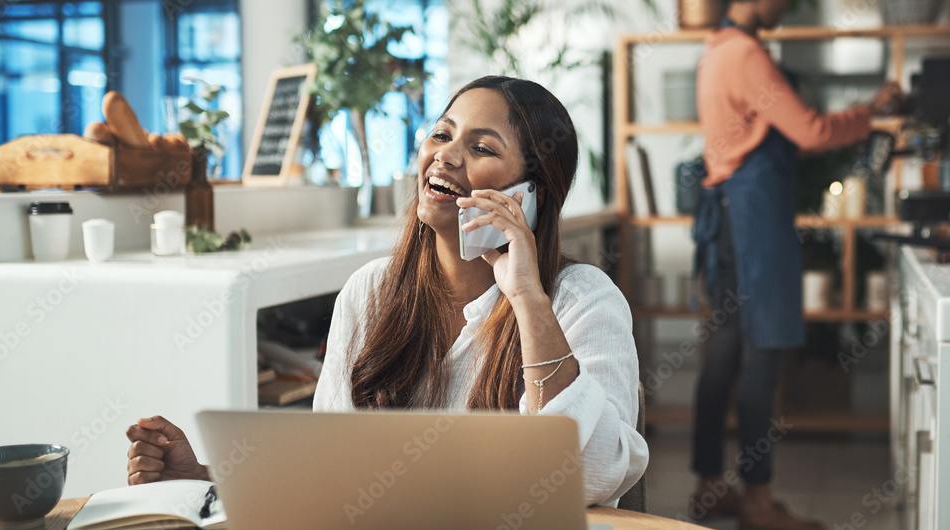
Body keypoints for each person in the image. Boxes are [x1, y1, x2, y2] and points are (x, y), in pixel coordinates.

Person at [126, 76, 647, 507]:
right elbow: (330, 474)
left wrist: (529, 300)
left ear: (530, 195)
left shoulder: (582, 301)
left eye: (481, 147)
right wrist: (202, 478)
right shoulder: (370, 292)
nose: (445, 156)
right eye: (442, 135)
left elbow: (592, 477)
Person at [689, 0, 904, 530]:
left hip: (729, 210)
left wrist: (850, 120)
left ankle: (710, 486)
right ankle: (759, 499)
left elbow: (776, 135)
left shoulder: (717, 51)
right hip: (756, 212)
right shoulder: (747, 54)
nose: (786, 4)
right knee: (766, 348)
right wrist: (870, 112)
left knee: (729, 348)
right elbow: (808, 131)